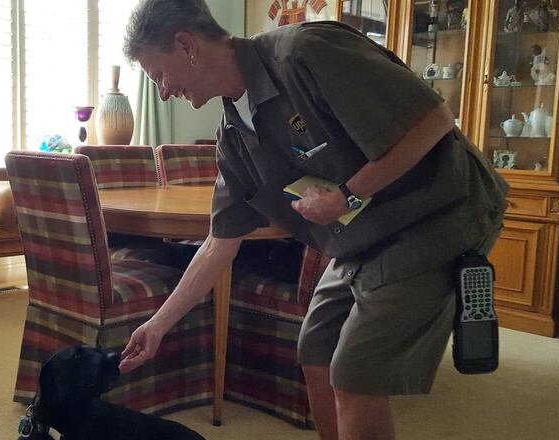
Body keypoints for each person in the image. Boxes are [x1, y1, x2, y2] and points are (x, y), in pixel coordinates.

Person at [119, 1, 508, 439]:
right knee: (316, 349)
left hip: (437, 212)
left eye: (158, 76)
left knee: (356, 371)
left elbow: (435, 119)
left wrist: (346, 195)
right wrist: (157, 325)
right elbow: (218, 244)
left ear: (186, 45)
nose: (164, 91)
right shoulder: (233, 138)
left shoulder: (307, 50)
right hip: (364, 235)